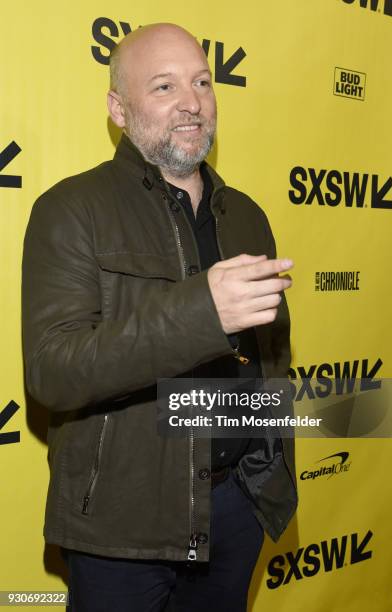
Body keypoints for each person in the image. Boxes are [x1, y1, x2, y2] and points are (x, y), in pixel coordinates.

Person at [21, 22, 298, 612]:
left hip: (235, 508)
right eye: (165, 87)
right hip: (124, 528)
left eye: (201, 82)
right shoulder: (71, 210)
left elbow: (272, 359)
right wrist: (201, 312)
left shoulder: (246, 214)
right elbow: (53, 369)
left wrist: (266, 473)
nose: (192, 102)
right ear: (119, 109)